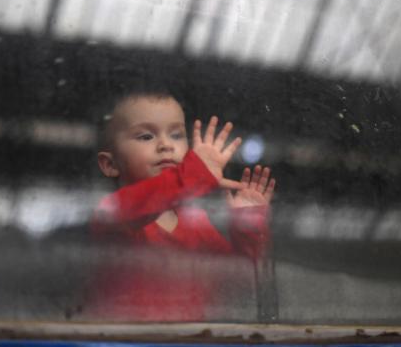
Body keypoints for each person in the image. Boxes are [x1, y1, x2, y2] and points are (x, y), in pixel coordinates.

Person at [85, 91, 275, 321]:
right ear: (110, 164)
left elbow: (238, 279)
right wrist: (194, 175)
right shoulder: (111, 211)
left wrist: (247, 226)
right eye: (146, 136)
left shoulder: (197, 222)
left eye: (176, 135)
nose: (166, 145)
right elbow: (139, 204)